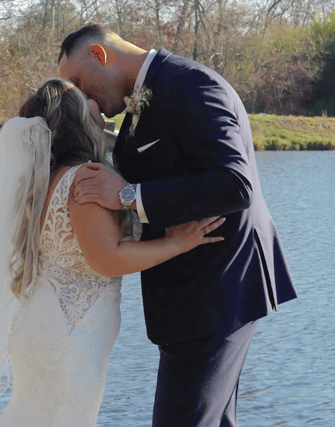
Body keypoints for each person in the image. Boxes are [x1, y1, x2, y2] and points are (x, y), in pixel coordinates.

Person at [58, 24, 298, 427]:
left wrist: (129, 195)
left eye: (80, 83)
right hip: (187, 298)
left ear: (100, 55)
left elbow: (235, 184)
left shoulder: (192, 85)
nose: (84, 97)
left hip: (219, 286)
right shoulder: (143, 100)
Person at [0, 78, 225, 427]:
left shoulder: (43, 182)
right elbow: (107, 259)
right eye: (87, 99)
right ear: (78, 120)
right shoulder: (85, 181)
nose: (97, 103)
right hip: (69, 336)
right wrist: (178, 243)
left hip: (45, 323)